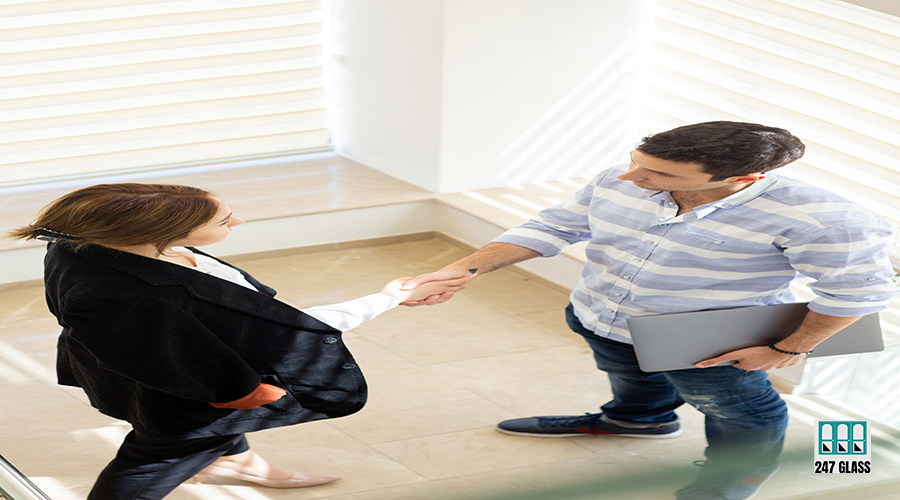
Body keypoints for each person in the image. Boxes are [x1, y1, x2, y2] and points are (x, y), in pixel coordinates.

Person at [399, 121, 898, 500]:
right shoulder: (623, 181)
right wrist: (463, 271)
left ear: (742, 178)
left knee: (742, 411)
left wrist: (785, 350)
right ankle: (640, 420)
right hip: (602, 314)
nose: (629, 175)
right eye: (635, 161)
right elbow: (553, 228)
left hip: (707, 343)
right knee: (628, 373)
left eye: (657, 172)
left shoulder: (825, 220)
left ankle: (726, 486)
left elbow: (857, 294)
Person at [8, 183, 468, 500]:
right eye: (226, 220)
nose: (239, 220)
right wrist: (386, 298)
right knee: (154, 459)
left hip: (135, 370)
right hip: (191, 400)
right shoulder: (130, 298)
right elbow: (286, 331)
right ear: (158, 233)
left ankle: (239, 463)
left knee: (202, 431)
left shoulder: (87, 243)